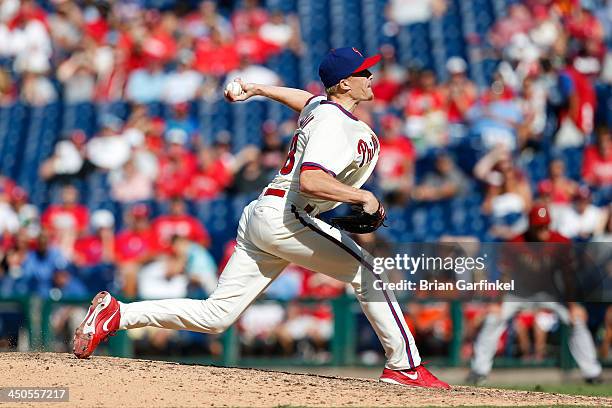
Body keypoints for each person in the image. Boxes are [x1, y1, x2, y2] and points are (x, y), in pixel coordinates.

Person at [72, 47, 449, 389]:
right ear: (345, 83)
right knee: (368, 272)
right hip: (288, 215)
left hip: (265, 215)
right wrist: (362, 195)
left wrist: (258, 88)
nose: (371, 78)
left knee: (216, 315)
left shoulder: (323, 110)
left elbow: (306, 100)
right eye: (364, 72)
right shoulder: (334, 122)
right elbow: (312, 179)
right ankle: (405, 367)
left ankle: (118, 313)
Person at [467, 205, 603, 385]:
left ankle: (592, 373)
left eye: (546, 225)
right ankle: (479, 370)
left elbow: (568, 277)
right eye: (539, 226)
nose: (544, 230)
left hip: (550, 293)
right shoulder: (516, 243)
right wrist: (497, 303)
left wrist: (573, 305)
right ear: (530, 225)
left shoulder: (560, 242)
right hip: (519, 293)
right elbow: (505, 276)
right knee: (493, 318)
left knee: (575, 320)